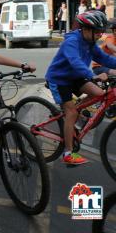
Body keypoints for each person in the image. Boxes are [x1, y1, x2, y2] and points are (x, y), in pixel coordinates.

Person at [46, 10, 116, 165]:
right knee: (70, 113)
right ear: (86, 29)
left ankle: (75, 113)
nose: (100, 35)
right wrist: (92, 75)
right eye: (97, 31)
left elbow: (104, 58)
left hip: (76, 77)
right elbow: (75, 61)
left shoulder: (90, 42)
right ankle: (68, 154)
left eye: (102, 31)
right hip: (60, 79)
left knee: (99, 93)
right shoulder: (72, 41)